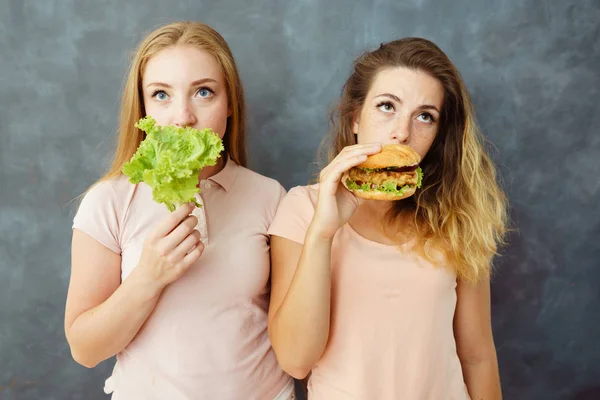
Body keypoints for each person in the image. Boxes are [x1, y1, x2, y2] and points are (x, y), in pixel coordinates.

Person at [267, 37, 508, 399]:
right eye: (386, 107)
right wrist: (322, 233)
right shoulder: (301, 209)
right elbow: (296, 360)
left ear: (438, 135)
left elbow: (477, 357)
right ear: (355, 119)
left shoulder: (457, 219)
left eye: (425, 116)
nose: (402, 132)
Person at [64, 21, 294, 400]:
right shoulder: (109, 202)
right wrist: (148, 277)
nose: (183, 117)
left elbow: (289, 331)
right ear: (142, 106)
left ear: (230, 102)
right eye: (161, 95)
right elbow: (86, 350)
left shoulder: (270, 197)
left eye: (204, 92)